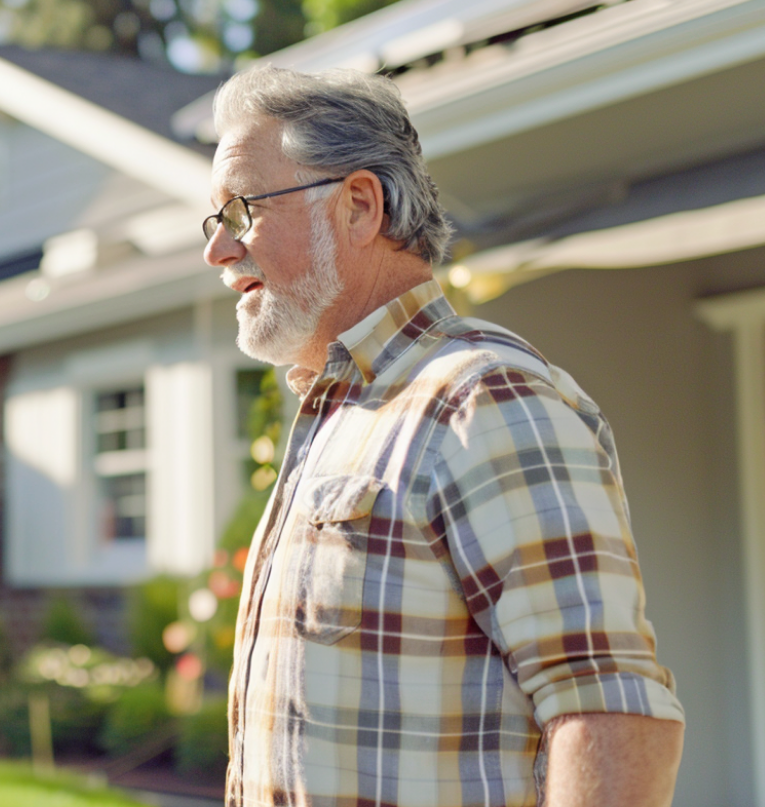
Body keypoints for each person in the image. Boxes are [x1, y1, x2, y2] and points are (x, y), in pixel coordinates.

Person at [202, 66, 685, 807]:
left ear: (358, 206)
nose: (219, 251)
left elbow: (607, 706)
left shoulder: (481, 396)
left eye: (240, 211)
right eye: (215, 222)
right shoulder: (345, 413)